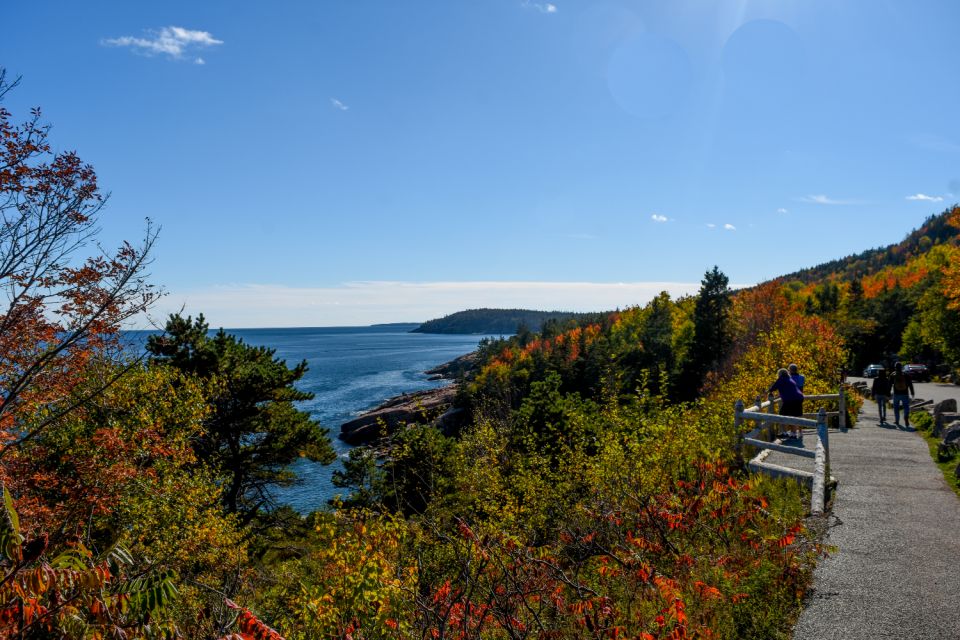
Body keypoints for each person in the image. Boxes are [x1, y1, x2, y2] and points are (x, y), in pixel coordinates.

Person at [769, 368, 805, 440]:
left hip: (790, 400)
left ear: (780, 374)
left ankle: (785, 433)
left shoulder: (781, 379)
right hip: (799, 398)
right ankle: (793, 434)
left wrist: (767, 392)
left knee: (782, 415)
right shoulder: (790, 379)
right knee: (794, 416)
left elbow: (773, 388)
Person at [890, 362, 915, 427]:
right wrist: (912, 393)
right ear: (901, 367)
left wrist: (888, 393)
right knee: (906, 406)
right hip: (905, 393)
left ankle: (897, 420)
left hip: (896, 393)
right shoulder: (906, 375)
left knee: (896, 407)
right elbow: (910, 384)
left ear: (895, 367)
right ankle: (906, 416)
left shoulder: (893, 374)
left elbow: (889, 384)